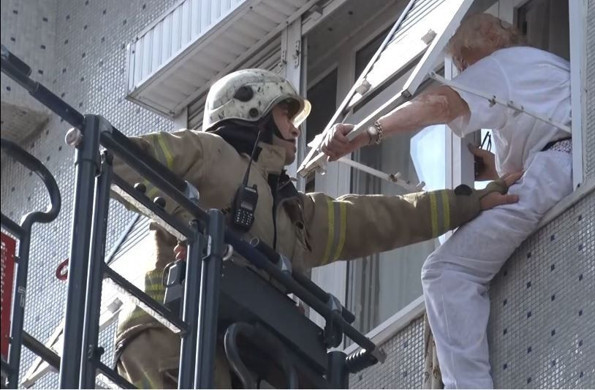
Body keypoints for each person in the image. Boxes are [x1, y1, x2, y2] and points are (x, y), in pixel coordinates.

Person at [108, 68, 522, 388]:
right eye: (286, 113)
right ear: (252, 110)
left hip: (218, 343)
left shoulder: (291, 214)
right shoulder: (210, 153)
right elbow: (132, 159)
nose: (296, 127)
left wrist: (468, 203)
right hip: (162, 330)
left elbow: (381, 218)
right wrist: (115, 159)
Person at [320, 13, 572, 388]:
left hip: (556, 164)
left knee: (444, 273)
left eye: (462, 57)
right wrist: (490, 172)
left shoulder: (500, 65)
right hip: (564, 160)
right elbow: (529, 151)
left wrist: (366, 134)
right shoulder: (538, 67)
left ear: (489, 38)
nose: (460, 68)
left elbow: (438, 104)